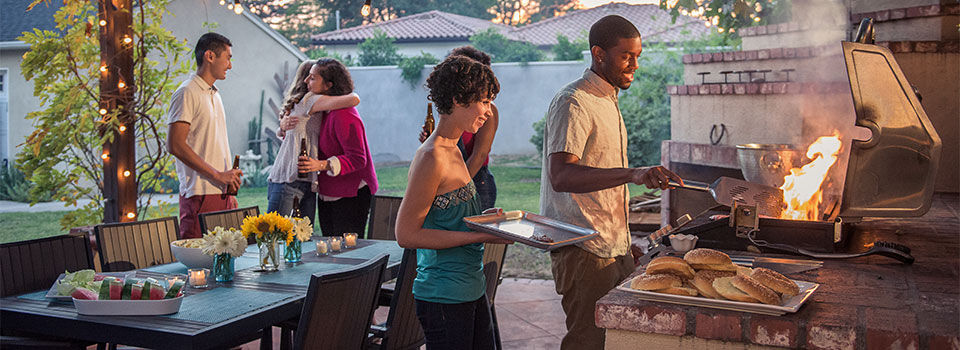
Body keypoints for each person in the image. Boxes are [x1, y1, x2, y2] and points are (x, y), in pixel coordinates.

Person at [539, 15, 683, 349]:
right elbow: (561, 176)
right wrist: (633, 174)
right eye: (626, 56)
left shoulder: (608, 98)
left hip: (612, 245)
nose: (634, 64)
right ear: (599, 53)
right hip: (583, 248)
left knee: (616, 340)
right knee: (588, 341)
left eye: (638, 56)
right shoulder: (573, 101)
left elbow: (601, 179)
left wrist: (624, 242)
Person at [395, 55, 512, 350]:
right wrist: (480, 234)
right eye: (484, 101)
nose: (489, 111)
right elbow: (406, 234)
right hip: (443, 296)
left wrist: (486, 218)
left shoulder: (454, 148)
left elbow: (448, 214)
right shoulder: (431, 156)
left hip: (471, 288)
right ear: (459, 99)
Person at [167, 32, 244, 239]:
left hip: (220, 193)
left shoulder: (214, 94)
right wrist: (218, 176)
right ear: (210, 56)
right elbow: (175, 145)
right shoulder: (186, 92)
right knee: (198, 264)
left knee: (224, 261)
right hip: (199, 194)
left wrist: (227, 188)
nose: (230, 65)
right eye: (227, 58)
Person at [268, 60, 360, 224]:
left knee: (302, 238)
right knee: (276, 235)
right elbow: (353, 100)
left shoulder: (313, 106)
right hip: (290, 179)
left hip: (306, 181)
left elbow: (286, 134)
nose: (307, 81)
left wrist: (281, 126)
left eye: (313, 77)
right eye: (308, 77)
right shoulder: (310, 100)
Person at [296, 58, 378, 236]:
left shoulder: (344, 114)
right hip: (329, 190)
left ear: (328, 85)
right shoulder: (324, 110)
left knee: (347, 251)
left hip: (352, 192)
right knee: (331, 248)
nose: (305, 81)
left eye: (312, 78)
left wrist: (321, 165)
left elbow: (358, 158)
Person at [419, 46, 499, 210]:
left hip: (476, 177)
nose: (488, 110)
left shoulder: (485, 113)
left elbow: (479, 155)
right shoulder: (431, 155)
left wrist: (458, 190)